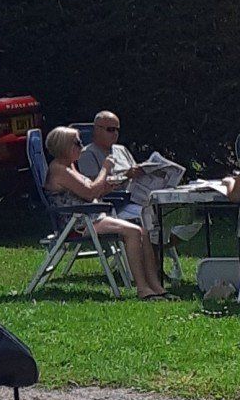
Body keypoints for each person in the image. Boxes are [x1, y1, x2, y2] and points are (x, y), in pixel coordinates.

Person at [43, 125, 168, 299]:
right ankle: (142, 289)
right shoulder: (59, 169)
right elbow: (89, 192)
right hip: (78, 222)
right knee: (133, 232)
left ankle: (155, 286)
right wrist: (105, 168)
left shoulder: (69, 166)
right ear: (64, 146)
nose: (81, 146)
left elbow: (89, 192)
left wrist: (107, 187)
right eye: (77, 143)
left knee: (144, 232)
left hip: (90, 215)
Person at [76, 110, 136, 188]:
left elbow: (135, 170)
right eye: (111, 129)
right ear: (97, 130)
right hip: (115, 197)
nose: (115, 133)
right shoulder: (87, 154)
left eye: (117, 129)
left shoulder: (122, 149)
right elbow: (93, 186)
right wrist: (126, 176)